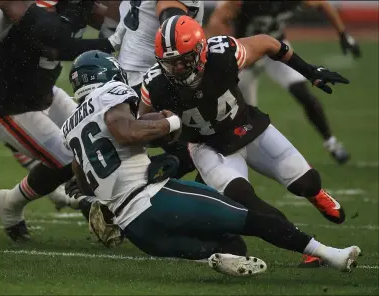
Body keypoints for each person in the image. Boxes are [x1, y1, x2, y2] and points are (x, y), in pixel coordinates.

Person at [62, 50, 360, 276]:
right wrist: (176, 120)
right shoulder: (109, 94)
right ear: (104, 75)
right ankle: (331, 254)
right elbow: (126, 131)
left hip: (138, 230)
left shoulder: (70, 125)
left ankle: (218, 258)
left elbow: (84, 179)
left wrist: (100, 198)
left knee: (233, 246)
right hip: (156, 200)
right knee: (252, 219)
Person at [138, 16, 350, 267]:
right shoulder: (156, 85)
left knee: (305, 181)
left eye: (185, 59)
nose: (180, 68)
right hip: (209, 148)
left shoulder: (224, 54)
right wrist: (170, 148)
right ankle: (306, 244)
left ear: (202, 51)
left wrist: (309, 71)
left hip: (247, 127)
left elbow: (269, 43)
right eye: (172, 63)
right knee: (247, 203)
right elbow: (144, 124)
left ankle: (315, 193)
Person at [0, 0, 124, 240]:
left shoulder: (78, 5)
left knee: (95, 140)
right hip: (9, 105)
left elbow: (112, 18)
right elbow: (57, 43)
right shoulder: (37, 8)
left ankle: (10, 203)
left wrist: (122, 20)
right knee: (67, 162)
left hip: (46, 94)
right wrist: (110, 42)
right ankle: (11, 203)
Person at [206, 0, 361, 164]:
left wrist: (343, 34)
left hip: (276, 48)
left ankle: (331, 142)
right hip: (247, 51)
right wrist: (226, 52)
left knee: (303, 93)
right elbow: (218, 20)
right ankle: (223, 155)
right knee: (240, 112)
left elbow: (323, 4)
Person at [116, 0, 205, 179]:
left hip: (141, 74)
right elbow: (173, 35)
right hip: (150, 79)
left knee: (203, 149)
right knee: (201, 150)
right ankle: (131, 190)